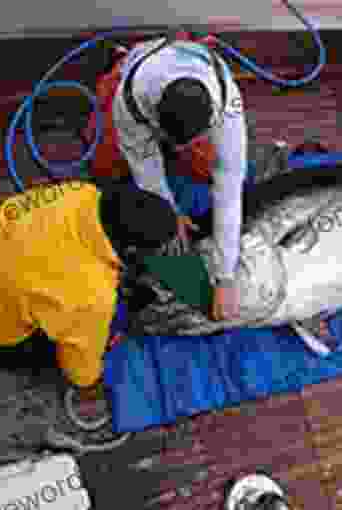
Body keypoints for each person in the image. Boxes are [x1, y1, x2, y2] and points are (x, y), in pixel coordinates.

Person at [86, 31, 248, 321]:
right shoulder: (131, 100)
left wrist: (226, 277)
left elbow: (229, 187)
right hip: (140, 75)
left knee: (207, 168)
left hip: (194, 80)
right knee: (105, 168)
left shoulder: (228, 106)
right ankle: (123, 56)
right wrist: (167, 214)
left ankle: (190, 45)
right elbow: (145, 165)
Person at [0, 179, 178, 398]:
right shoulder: (91, 296)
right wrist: (95, 378)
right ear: (132, 251)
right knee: (49, 352)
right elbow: (81, 376)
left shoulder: (80, 191)